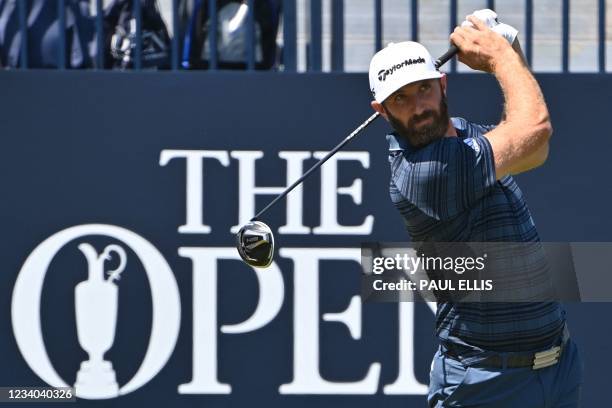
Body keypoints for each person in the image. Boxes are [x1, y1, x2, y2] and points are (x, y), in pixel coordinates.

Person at [368, 14, 583, 408]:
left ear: (442, 84)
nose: (419, 106)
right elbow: (534, 128)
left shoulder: (466, 135)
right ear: (382, 111)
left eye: (423, 89)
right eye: (401, 98)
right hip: (485, 383)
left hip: (557, 367)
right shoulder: (423, 174)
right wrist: (500, 55)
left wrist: (509, 47)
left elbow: (533, 148)